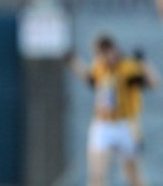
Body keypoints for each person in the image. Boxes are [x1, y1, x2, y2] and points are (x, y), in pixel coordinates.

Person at [67, 35, 159, 186]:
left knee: (132, 174)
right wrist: (73, 61)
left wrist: (144, 63)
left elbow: (153, 83)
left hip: (126, 124)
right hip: (103, 123)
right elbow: (90, 79)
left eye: (103, 54)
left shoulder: (127, 68)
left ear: (112, 50)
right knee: (97, 174)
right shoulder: (100, 67)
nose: (101, 58)